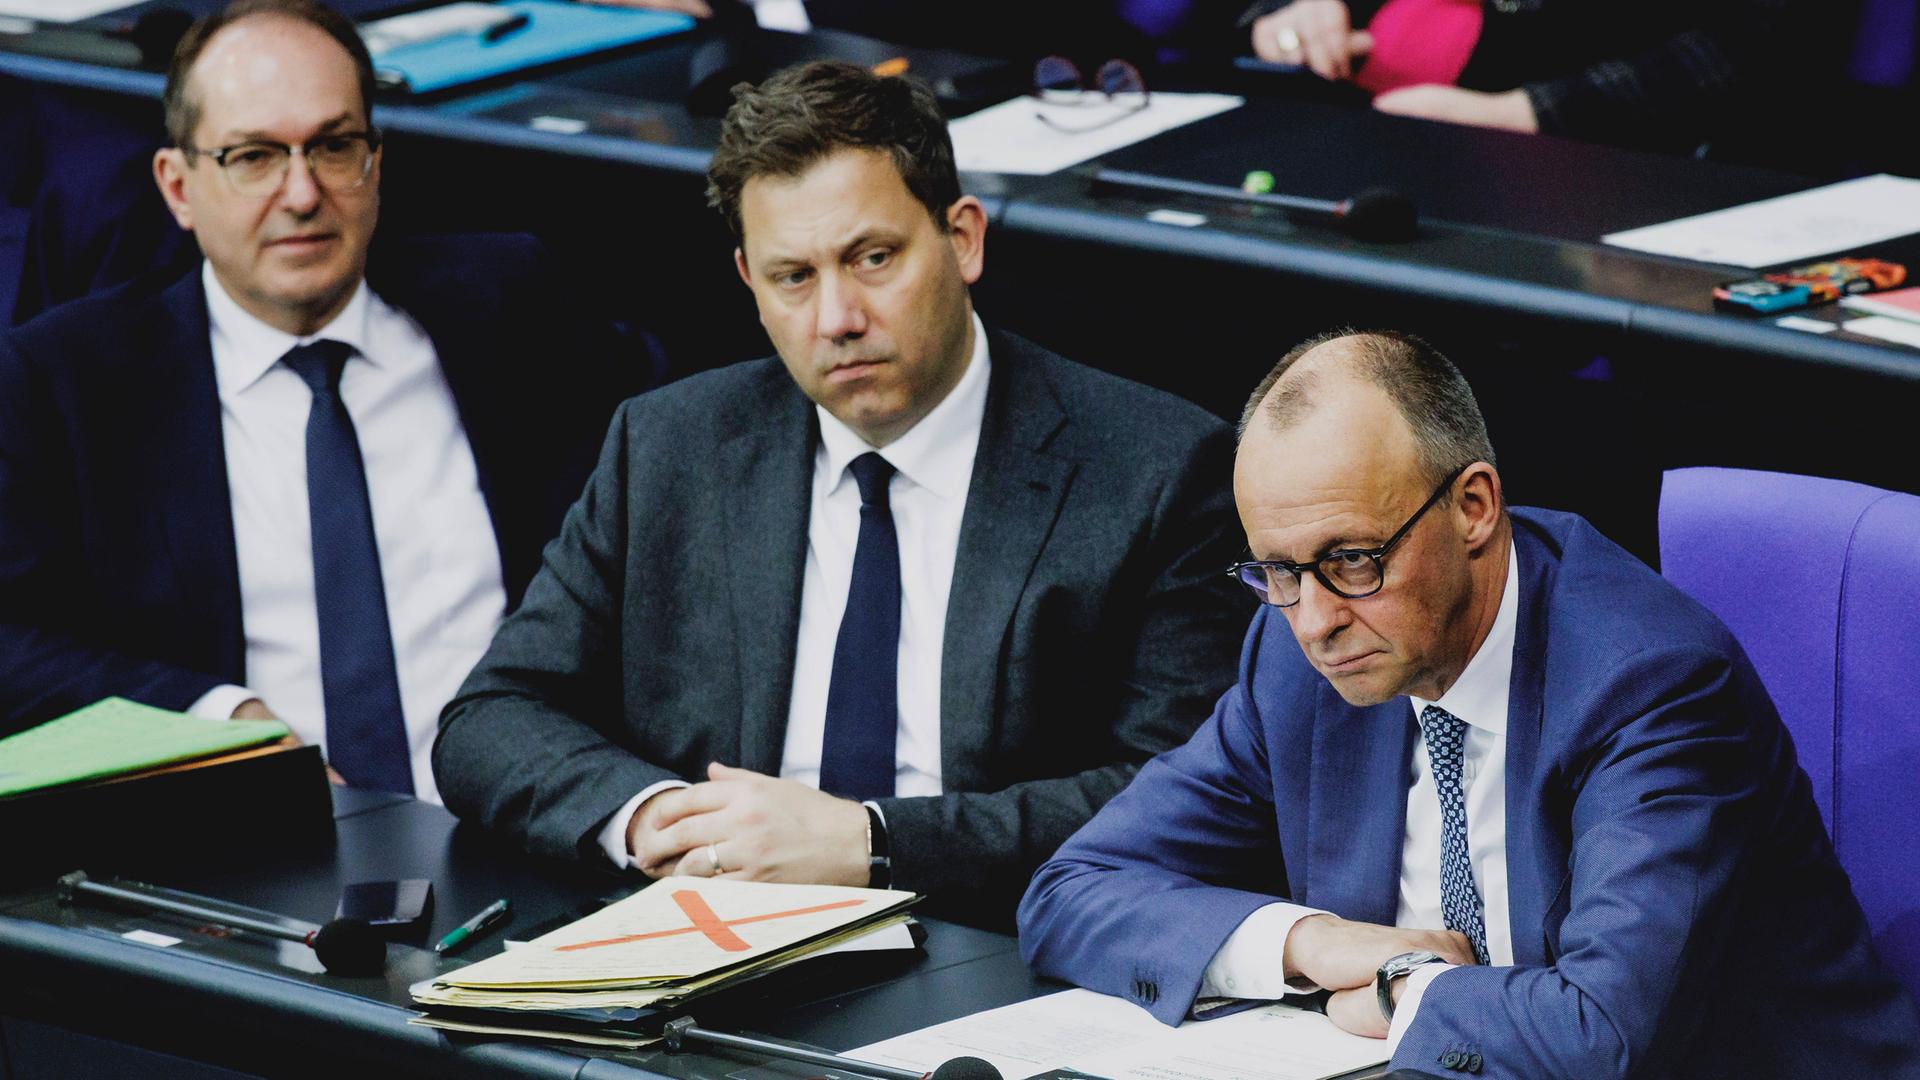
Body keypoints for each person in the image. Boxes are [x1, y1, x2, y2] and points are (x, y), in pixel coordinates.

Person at [433, 60, 1247, 924]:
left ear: (963, 239)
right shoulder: (668, 446)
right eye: (795, 277)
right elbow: (491, 719)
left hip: (995, 946)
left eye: (873, 258)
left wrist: (873, 842)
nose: (836, 318)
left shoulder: (1157, 469)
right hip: (710, 936)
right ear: (750, 281)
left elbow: (1185, 796)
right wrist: (663, 821)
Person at [1018, 330, 1920, 1076]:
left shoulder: (1651, 685)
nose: (1317, 620)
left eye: (1352, 560)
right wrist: (1314, 944)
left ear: (1475, 506)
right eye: (1279, 572)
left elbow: (1601, 1037)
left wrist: (1396, 991)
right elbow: (1071, 893)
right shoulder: (1299, 661)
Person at [0, 0, 638, 802]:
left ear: (376, 163)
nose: (302, 194)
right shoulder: (69, 382)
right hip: (246, 857)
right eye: (255, 156)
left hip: (530, 828)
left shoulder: (513, 305)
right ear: (179, 186)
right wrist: (213, 714)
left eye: (334, 147)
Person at [1241, 0, 1819, 151]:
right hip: (1340, 139)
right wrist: (1288, 15)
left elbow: (1748, 43)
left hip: (1593, 166)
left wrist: (1524, 114)